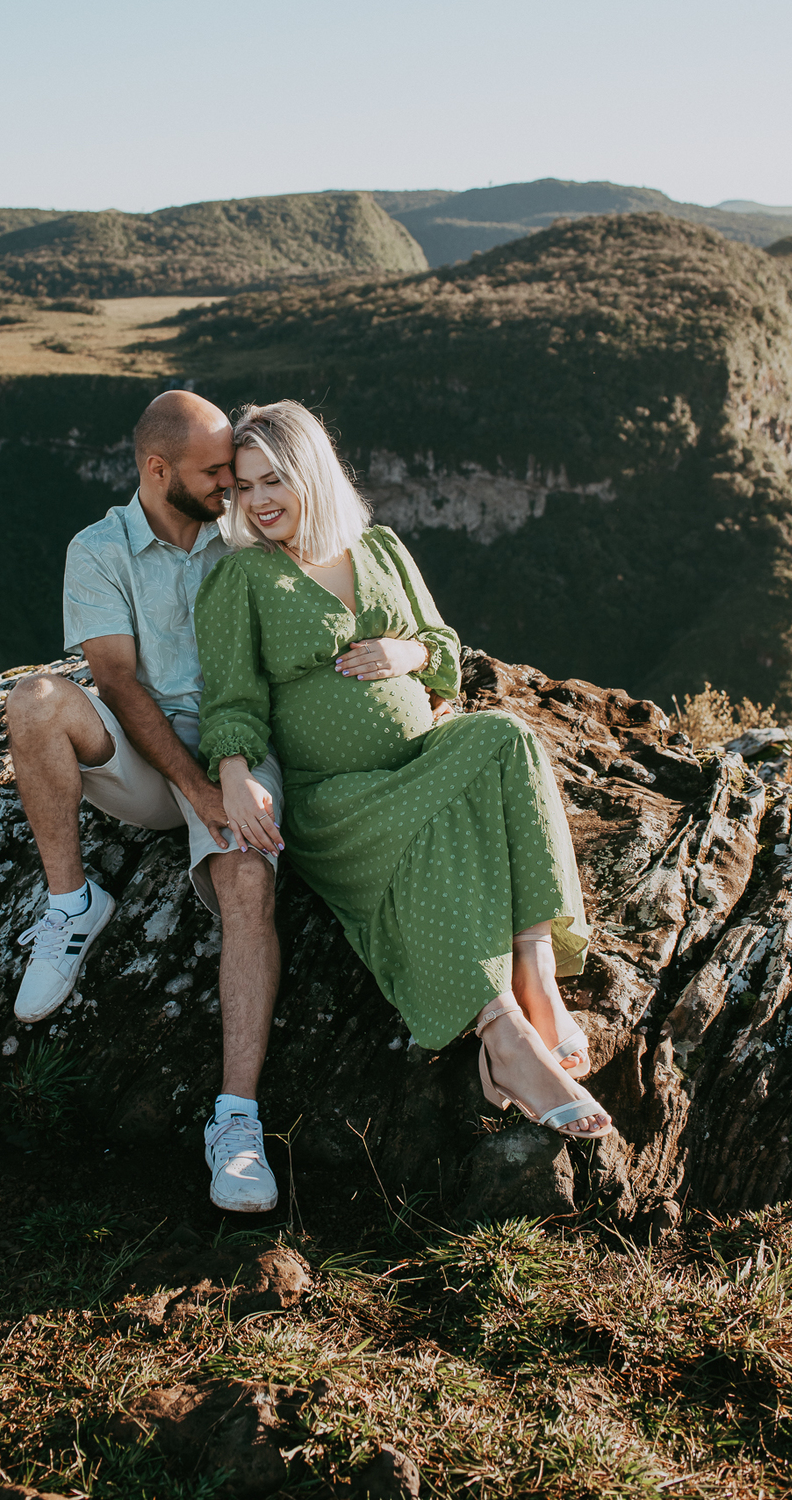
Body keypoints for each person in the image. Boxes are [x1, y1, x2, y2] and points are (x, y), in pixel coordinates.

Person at [193, 400, 613, 1138]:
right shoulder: (242, 579)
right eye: (243, 488)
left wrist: (407, 654)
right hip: (341, 799)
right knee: (433, 848)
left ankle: (536, 977)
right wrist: (232, 772)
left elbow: (444, 646)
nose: (258, 502)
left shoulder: (379, 548)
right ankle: (505, 1041)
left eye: (274, 481)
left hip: (421, 757)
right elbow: (232, 699)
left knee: (507, 735)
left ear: (312, 475)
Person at [5, 391, 285, 1211]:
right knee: (34, 700)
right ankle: (71, 903)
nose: (232, 483)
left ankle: (235, 1123)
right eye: (214, 471)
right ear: (158, 471)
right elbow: (119, 683)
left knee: (248, 880)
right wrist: (194, 791)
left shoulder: (242, 536)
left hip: (240, 742)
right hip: (146, 755)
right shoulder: (98, 549)